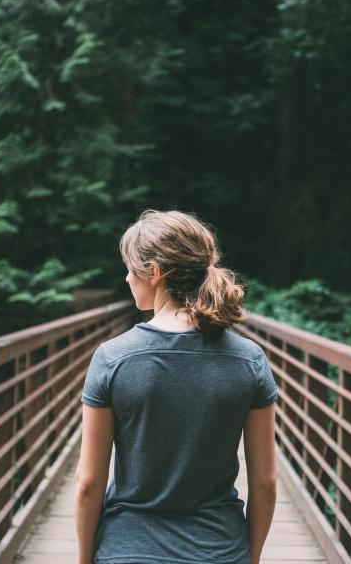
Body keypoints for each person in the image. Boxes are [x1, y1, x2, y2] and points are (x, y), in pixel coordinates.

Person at [74, 208, 279, 564]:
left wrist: (83, 559)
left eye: (130, 268)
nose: (126, 279)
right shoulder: (249, 360)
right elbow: (265, 483)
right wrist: (251, 557)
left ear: (153, 273)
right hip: (219, 550)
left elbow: (89, 483)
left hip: (128, 551)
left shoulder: (112, 358)